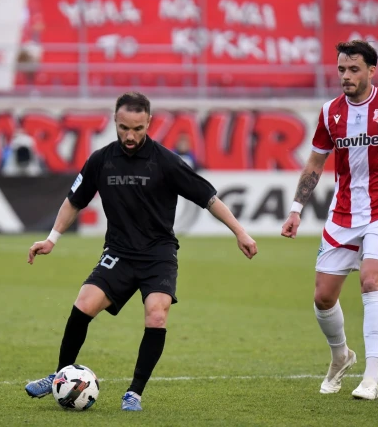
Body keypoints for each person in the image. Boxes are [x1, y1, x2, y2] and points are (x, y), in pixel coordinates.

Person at [25, 91, 258, 411]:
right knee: (84, 303)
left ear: (149, 122)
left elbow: (208, 198)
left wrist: (240, 232)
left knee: (157, 314)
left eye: (137, 128)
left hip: (158, 255)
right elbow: (74, 201)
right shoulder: (101, 160)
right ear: (115, 121)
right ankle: (60, 376)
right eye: (123, 128)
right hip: (119, 252)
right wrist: (52, 238)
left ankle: (134, 393)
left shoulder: (166, 161)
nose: (130, 136)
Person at [281, 40, 378, 400]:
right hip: (343, 213)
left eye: (353, 69)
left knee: (371, 280)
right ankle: (341, 355)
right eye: (341, 70)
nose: (345, 76)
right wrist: (296, 209)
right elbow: (314, 164)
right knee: (323, 297)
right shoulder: (329, 113)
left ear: (371, 71)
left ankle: (371, 378)